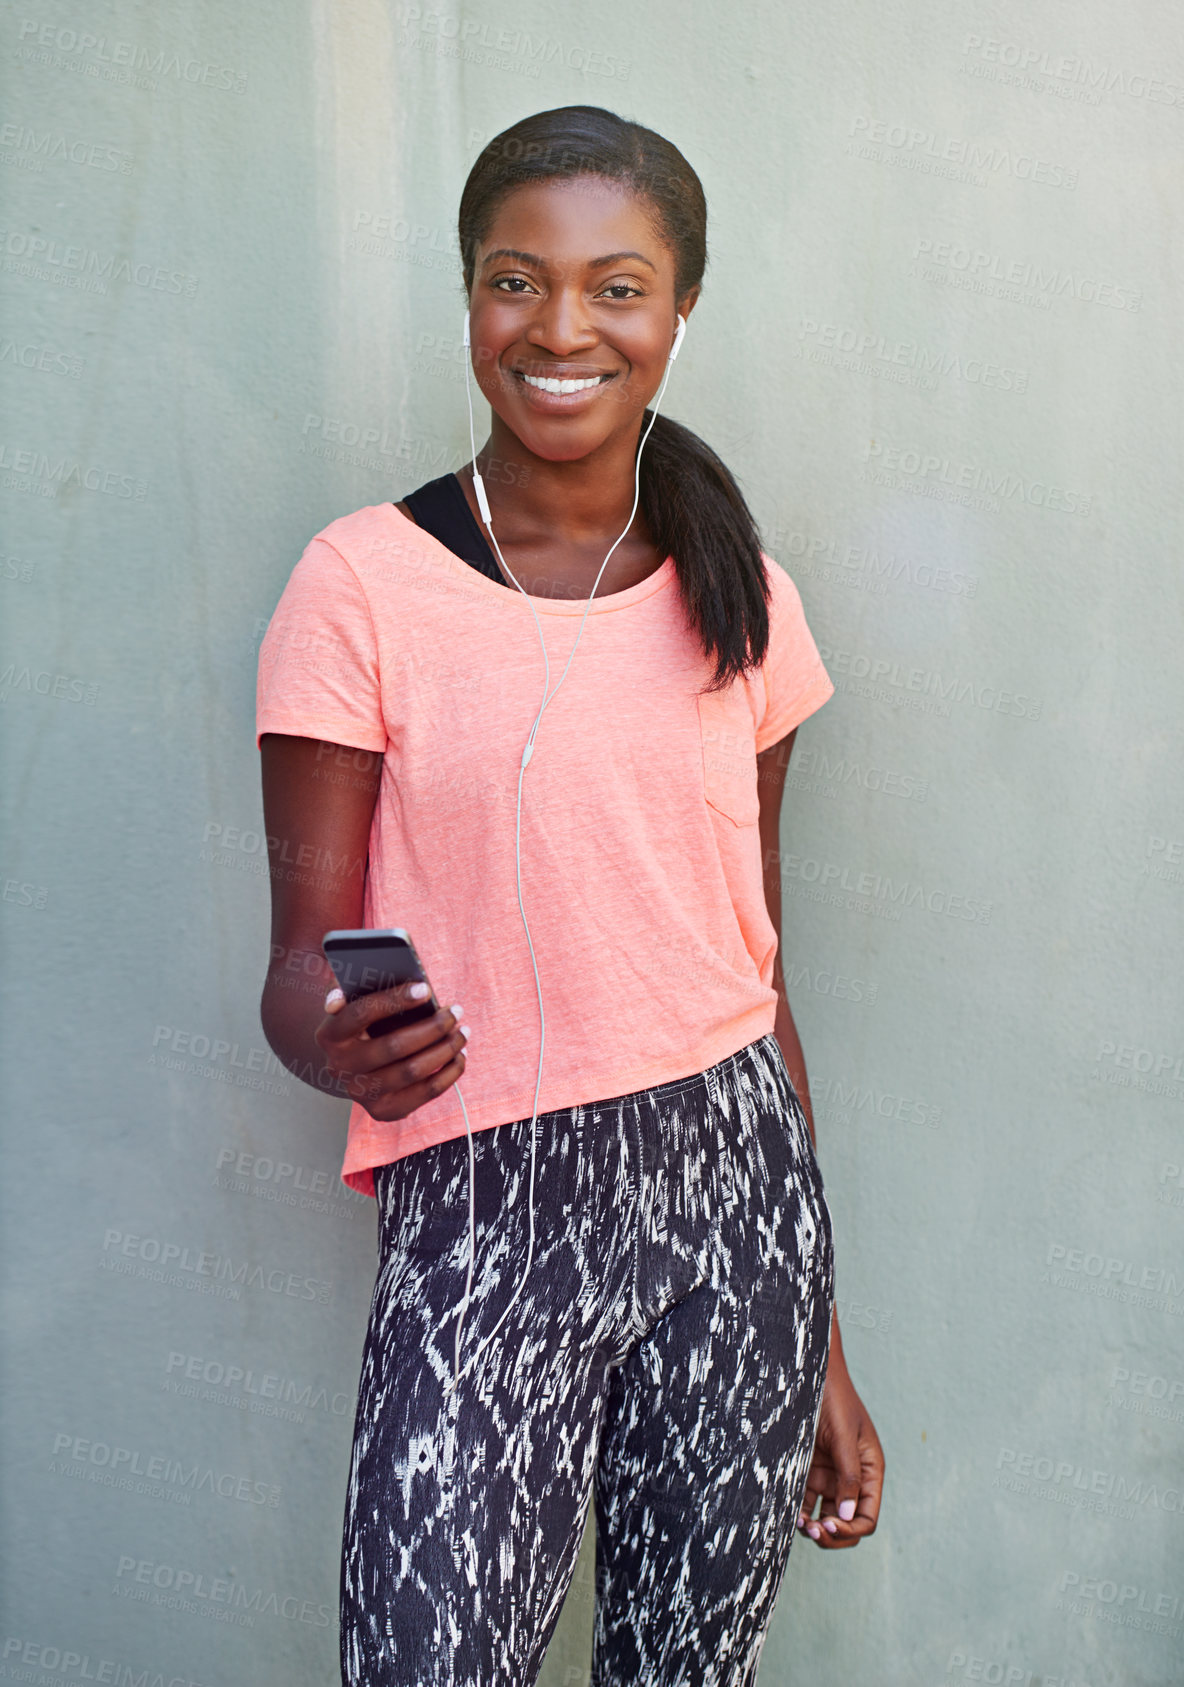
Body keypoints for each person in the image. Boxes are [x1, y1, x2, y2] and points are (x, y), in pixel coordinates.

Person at [257, 104, 884, 1687]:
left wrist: (819, 1342)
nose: (561, 328)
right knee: (423, 1659)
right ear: (469, 299)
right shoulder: (360, 586)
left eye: (617, 286)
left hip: (737, 1202)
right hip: (486, 1209)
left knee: (685, 1670)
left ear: (678, 312)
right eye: (513, 280)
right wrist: (344, 1042)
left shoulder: (746, 598)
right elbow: (292, 969)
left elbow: (754, 970)